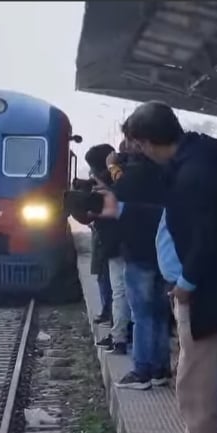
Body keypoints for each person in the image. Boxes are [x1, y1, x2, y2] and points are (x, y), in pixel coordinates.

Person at [95, 101, 217, 433]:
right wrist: (120, 208)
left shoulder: (194, 174)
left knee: (198, 395)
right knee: (190, 388)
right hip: (205, 292)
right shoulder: (196, 158)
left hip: (208, 297)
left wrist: (186, 285)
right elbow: (176, 213)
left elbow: (209, 235)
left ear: (146, 142)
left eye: (137, 146)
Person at [107, 139, 170, 388]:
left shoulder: (127, 181)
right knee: (160, 313)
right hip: (163, 254)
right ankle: (161, 369)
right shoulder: (167, 175)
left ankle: (142, 370)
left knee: (142, 314)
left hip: (137, 254)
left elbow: (112, 214)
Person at [87, 144, 130, 354]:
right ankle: (120, 333)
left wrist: (94, 212)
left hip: (119, 244)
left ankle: (119, 337)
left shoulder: (118, 180)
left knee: (120, 291)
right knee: (123, 291)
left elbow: (115, 211)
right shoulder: (120, 177)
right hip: (124, 243)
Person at [84, 145, 116, 329]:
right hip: (102, 234)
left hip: (107, 236)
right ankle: (108, 310)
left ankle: (109, 311)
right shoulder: (108, 180)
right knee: (103, 275)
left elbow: (108, 210)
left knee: (106, 276)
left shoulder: (109, 182)